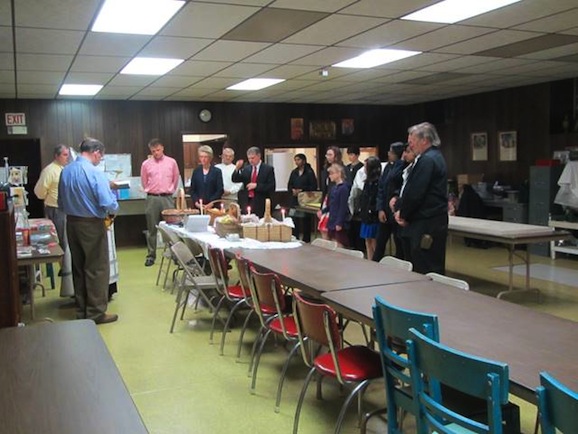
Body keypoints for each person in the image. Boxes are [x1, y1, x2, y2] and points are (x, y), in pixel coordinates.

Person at [58, 138, 119, 324]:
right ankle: (96, 313)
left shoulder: (66, 171)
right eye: (101, 156)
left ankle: (81, 309)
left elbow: (60, 202)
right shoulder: (95, 173)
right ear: (96, 152)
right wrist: (114, 208)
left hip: (72, 223)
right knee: (96, 268)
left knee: (79, 267)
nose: (100, 159)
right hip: (91, 224)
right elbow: (107, 202)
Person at [394, 122, 448, 274]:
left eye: (412, 142)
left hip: (426, 222)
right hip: (432, 220)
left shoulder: (427, 160)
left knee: (424, 266)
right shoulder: (435, 156)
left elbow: (416, 193)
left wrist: (403, 213)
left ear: (424, 140)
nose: (410, 146)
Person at [141, 138, 181, 267]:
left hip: (167, 197)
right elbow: (144, 181)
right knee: (152, 228)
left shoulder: (171, 162)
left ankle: (175, 254)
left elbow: (175, 178)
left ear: (162, 148)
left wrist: (170, 190)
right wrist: (150, 190)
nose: (156, 153)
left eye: (158, 150)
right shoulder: (146, 164)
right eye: (153, 151)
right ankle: (151, 256)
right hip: (152, 198)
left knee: (172, 228)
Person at [372, 142, 406, 261]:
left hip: (396, 210)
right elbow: (381, 188)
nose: (388, 154)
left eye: (391, 152)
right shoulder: (387, 167)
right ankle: (374, 265)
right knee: (380, 242)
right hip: (385, 209)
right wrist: (380, 208)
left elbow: (401, 187)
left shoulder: (403, 167)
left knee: (399, 243)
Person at [34, 144, 70, 251]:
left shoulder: (65, 169)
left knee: (66, 239)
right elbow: (39, 192)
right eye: (64, 155)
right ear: (56, 156)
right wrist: (49, 197)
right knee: (61, 240)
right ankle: (66, 268)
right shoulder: (49, 170)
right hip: (55, 209)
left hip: (67, 209)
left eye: (68, 155)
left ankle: (67, 267)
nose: (67, 157)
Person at [231, 146, 275, 218]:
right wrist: (237, 169)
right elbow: (235, 179)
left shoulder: (268, 169)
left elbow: (271, 186)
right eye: (249, 158)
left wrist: (256, 186)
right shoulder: (247, 168)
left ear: (259, 156)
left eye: (252, 158)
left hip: (260, 201)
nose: (250, 160)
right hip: (247, 201)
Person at [287, 153, 317, 242]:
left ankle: (306, 240)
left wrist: (302, 190)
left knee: (305, 221)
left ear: (303, 161)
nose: (297, 162)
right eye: (295, 160)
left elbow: (313, 186)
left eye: (298, 160)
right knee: (294, 219)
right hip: (295, 200)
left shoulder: (309, 172)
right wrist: (292, 190)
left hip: (305, 200)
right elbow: (289, 184)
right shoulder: (294, 172)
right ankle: (295, 237)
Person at [358, 156, 381, 260]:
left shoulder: (378, 182)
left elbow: (377, 198)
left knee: (374, 240)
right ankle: (369, 259)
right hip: (366, 214)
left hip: (374, 215)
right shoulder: (367, 182)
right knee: (367, 240)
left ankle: (375, 260)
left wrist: (372, 209)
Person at [318, 146, 343, 239]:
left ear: (336, 156)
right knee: (323, 229)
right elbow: (324, 190)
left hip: (336, 200)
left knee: (334, 235)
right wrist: (322, 208)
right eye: (327, 155)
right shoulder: (325, 170)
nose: (328, 157)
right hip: (327, 200)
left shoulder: (342, 169)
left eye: (330, 154)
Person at [188, 145, 223, 210]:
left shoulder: (217, 171)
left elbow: (220, 190)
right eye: (201, 157)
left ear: (210, 158)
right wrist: (196, 202)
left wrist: (211, 203)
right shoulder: (196, 171)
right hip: (198, 206)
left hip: (213, 206)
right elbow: (192, 190)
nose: (203, 159)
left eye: (205, 157)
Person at [326, 163, 351, 247]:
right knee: (332, 241)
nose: (330, 176)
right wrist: (323, 211)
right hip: (332, 218)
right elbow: (331, 204)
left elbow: (343, 206)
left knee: (339, 242)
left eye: (332, 173)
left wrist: (339, 223)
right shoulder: (334, 188)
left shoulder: (343, 188)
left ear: (339, 173)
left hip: (339, 220)